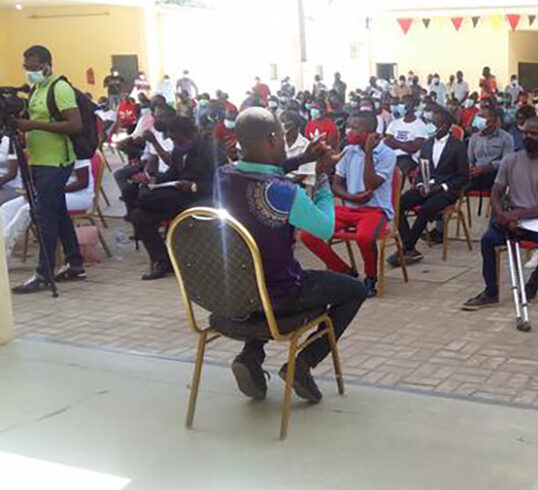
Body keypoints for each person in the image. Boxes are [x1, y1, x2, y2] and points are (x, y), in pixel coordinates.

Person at [215, 107, 366, 403]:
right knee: (354, 290)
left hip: (232, 295)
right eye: (283, 138)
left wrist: (304, 159)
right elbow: (324, 228)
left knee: (257, 274)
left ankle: (251, 355)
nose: (285, 143)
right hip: (280, 297)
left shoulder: (223, 175)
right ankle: (303, 363)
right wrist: (322, 178)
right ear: (273, 138)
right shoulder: (283, 192)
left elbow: (258, 170)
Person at [461, 117, 538, 311]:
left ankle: (533, 284)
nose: (528, 137)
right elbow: (496, 192)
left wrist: (518, 215)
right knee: (487, 240)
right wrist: (503, 215)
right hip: (512, 220)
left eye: (534, 134)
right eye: (525, 133)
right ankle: (491, 291)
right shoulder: (511, 160)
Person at [11, 45, 86, 293]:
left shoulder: (59, 88)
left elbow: (74, 125)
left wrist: (33, 125)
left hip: (56, 162)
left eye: (34, 67)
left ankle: (44, 273)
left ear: (47, 64)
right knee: (58, 211)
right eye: (26, 67)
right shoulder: (36, 89)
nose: (30, 71)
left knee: (45, 215)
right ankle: (75, 263)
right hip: (39, 160)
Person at [300, 111, 395, 297]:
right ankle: (345, 271)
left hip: (375, 210)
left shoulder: (387, 154)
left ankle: (371, 278)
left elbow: (371, 184)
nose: (349, 132)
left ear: (370, 133)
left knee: (364, 237)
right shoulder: (349, 151)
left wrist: (368, 153)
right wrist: (352, 198)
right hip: (350, 208)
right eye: (349, 127)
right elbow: (336, 185)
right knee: (308, 234)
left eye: (355, 128)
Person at [128, 116, 216, 279]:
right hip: (179, 195)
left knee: (147, 200)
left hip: (201, 197)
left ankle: (144, 200)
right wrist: (153, 179)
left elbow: (220, 183)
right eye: (172, 139)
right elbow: (171, 175)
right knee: (138, 216)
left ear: (189, 134)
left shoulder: (209, 151)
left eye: (177, 139)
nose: (175, 143)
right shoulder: (178, 151)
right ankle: (164, 260)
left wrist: (194, 186)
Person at [388, 109, 468, 265]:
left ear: (445, 126)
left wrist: (442, 187)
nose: (430, 126)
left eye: (434, 123)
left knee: (426, 209)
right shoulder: (427, 144)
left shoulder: (458, 146)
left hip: (446, 190)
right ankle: (409, 247)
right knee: (398, 204)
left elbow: (463, 176)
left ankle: (407, 248)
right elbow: (420, 170)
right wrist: (420, 185)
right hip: (426, 186)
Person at [2, 158, 91, 260]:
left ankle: (6, 247)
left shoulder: (77, 154)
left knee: (27, 209)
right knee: (7, 208)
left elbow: (83, 182)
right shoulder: (43, 154)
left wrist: (50, 190)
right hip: (49, 192)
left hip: (77, 196)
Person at [466, 102, 515, 193]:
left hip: (496, 174)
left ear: (494, 120)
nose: (481, 120)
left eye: (484, 117)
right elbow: (470, 160)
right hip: (477, 175)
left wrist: (488, 167)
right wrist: (471, 168)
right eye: (479, 117)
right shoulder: (474, 138)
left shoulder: (506, 137)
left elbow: (507, 161)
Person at [384, 94, 428, 175]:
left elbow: (413, 148)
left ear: (413, 107)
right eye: (400, 103)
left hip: (409, 158)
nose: (401, 106)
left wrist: (394, 141)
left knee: (400, 167)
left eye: (405, 104)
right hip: (391, 154)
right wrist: (406, 143)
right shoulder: (394, 123)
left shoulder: (421, 125)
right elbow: (387, 142)